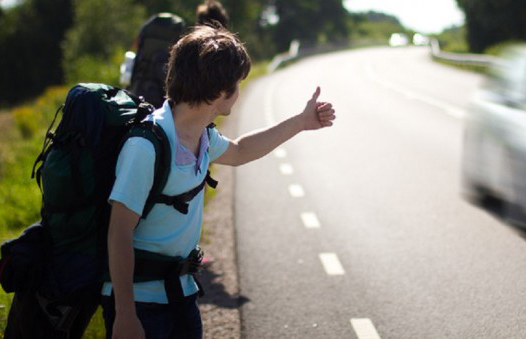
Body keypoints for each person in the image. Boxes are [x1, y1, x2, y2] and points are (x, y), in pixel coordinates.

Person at [102, 25, 336, 339]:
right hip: (141, 304)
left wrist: (301, 122)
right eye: (237, 85)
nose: (238, 93)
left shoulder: (202, 136)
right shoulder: (146, 146)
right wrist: (125, 315)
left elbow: (240, 150)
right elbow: (118, 233)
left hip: (181, 294)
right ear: (218, 92)